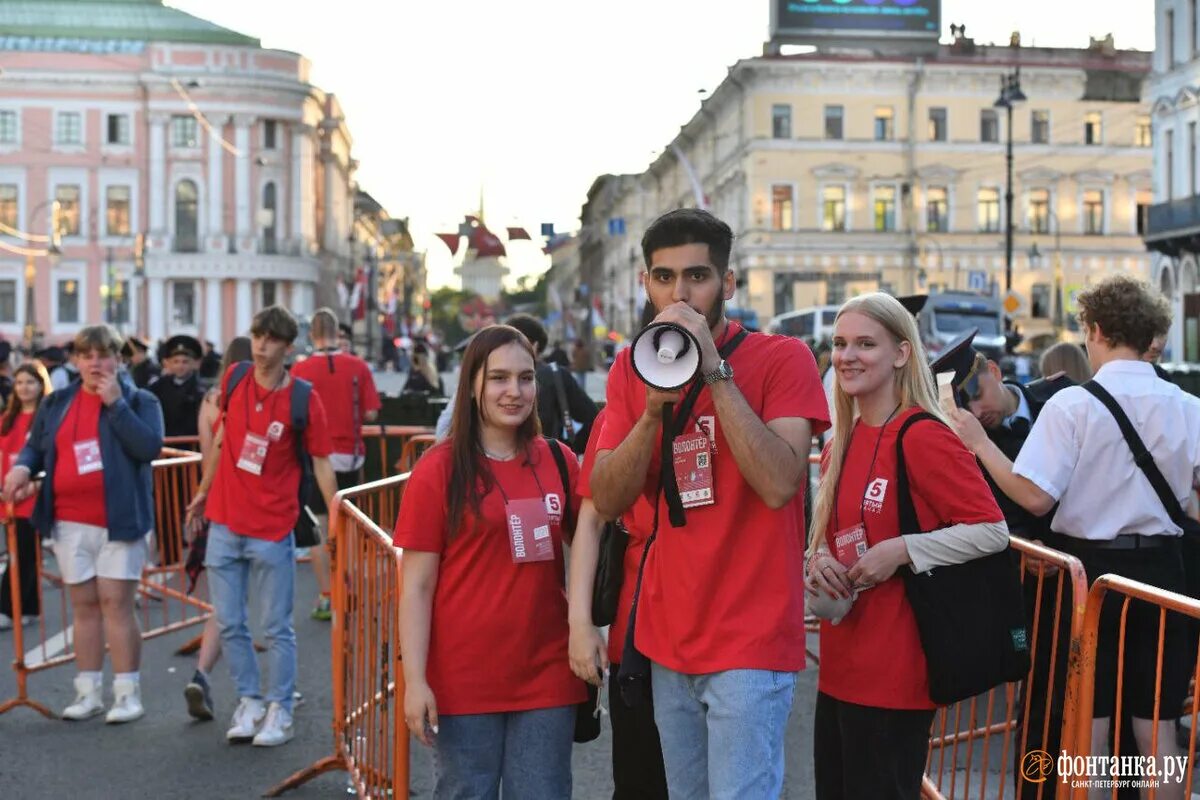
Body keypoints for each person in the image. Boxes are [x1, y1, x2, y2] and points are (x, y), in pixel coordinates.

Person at [591, 208, 829, 799]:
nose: (680, 293)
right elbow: (606, 495)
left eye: (696, 276)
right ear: (646, 283)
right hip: (668, 639)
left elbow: (779, 483)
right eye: (664, 277)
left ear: (728, 283)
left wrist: (716, 371)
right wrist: (651, 410)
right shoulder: (631, 365)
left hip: (750, 640)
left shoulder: (783, 358)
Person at [950, 275, 1192, 797]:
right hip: (1165, 576)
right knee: (1159, 732)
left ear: (1097, 329)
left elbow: (1035, 498)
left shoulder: (1072, 406)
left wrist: (978, 443)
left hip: (1091, 579)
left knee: (1091, 729)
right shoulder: (1188, 406)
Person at [805, 293, 1007, 800]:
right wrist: (819, 560)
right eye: (840, 343)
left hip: (897, 675)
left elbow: (992, 529)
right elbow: (826, 539)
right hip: (838, 666)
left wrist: (902, 550)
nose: (847, 356)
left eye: (865, 344)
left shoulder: (922, 435)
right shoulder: (838, 444)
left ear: (901, 353)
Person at [397, 324, 584, 798]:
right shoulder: (437, 470)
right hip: (463, 679)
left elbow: (593, 543)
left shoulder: (559, 459)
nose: (514, 391)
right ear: (473, 385)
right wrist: (414, 680)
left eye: (526, 378)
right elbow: (415, 587)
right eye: (499, 378)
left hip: (547, 673)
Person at [185, 306, 338, 747]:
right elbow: (221, 439)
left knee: (276, 627)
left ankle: (280, 708)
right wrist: (202, 491)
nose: (261, 345)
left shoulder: (302, 398)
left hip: (272, 526)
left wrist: (336, 521)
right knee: (231, 622)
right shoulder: (234, 378)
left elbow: (322, 464)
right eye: (257, 335)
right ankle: (250, 701)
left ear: (289, 347)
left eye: (271, 339)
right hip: (225, 521)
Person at [2, 325, 164, 723]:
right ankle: (87, 691)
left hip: (119, 521)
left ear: (118, 359)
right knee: (85, 607)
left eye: (103, 355)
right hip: (68, 521)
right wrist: (22, 469)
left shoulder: (140, 399)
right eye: (86, 355)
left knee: (116, 604)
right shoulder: (57, 402)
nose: (95, 363)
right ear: (76, 361)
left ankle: (127, 693)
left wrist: (116, 405)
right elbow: (36, 448)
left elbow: (148, 447)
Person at [567, 407, 668, 799]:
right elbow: (590, 521)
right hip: (636, 636)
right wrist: (580, 625)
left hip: (715, 637)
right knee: (639, 780)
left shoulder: (728, 397)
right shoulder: (618, 411)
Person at [290, 308, 381, 621]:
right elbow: (371, 413)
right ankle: (351, 589)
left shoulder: (300, 371)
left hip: (315, 458)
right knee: (351, 526)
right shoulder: (358, 366)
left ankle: (328, 595)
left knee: (317, 525)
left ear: (312, 334)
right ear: (336, 333)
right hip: (351, 455)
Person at [180, 335, 251, 721]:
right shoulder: (251, 399)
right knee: (261, 607)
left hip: (215, 499)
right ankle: (265, 692)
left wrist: (201, 496)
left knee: (225, 601)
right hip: (251, 503)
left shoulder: (212, 400)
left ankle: (202, 673)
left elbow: (208, 453)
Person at [0, 361, 51, 630]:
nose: (24, 388)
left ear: (41, 385)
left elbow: (49, 460)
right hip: (8, 497)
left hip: (33, 498)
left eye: (30, 382)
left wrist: (30, 488)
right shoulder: (7, 419)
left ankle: (7, 608)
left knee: (22, 554)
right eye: (19, 382)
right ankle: (29, 607)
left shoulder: (46, 420)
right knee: (21, 553)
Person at [505, 313, 598, 455]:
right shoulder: (556, 375)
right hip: (547, 460)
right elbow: (593, 419)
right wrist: (566, 447)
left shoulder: (491, 379)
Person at [148, 335, 206, 438]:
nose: (180, 366)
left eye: (185, 362)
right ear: (168, 363)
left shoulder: (201, 390)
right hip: (165, 444)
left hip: (191, 445)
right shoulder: (157, 387)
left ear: (195, 364)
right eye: (176, 361)